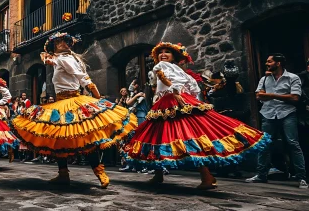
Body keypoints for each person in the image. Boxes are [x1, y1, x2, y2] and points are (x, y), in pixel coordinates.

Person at [123, 42, 270, 189]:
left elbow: (165, 79)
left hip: (172, 102)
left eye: (167, 52)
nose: (163, 54)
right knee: (164, 137)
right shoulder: (177, 69)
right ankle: (162, 174)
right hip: (170, 102)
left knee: (180, 137)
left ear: (173, 56)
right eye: (160, 52)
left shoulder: (162, 67)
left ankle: (204, 176)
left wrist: (175, 92)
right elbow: (190, 85)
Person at [12, 32, 138, 188]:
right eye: (58, 42)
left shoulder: (66, 59)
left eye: (65, 42)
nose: (62, 44)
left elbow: (81, 76)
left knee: (85, 137)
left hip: (73, 101)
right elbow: (46, 57)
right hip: (59, 102)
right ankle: (63, 174)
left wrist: (95, 93)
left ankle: (100, 172)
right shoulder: (60, 59)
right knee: (59, 140)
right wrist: (51, 59)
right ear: (54, 46)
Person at [246, 54, 307, 189]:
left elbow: (295, 98)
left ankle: (302, 177)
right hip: (268, 114)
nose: (266, 64)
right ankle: (261, 175)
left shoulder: (292, 78)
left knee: (292, 143)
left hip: (287, 113)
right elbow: (258, 96)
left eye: (269, 61)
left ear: (278, 63)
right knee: (264, 144)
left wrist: (271, 95)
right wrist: (283, 96)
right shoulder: (264, 78)